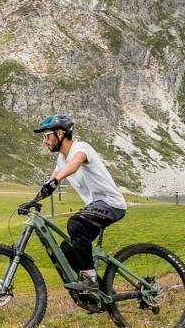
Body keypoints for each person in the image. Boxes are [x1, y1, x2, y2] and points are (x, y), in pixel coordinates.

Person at [30, 114, 127, 292]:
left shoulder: (81, 148)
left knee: (75, 223)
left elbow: (76, 162)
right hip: (95, 207)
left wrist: (56, 180)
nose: (45, 141)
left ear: (60, 133)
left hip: (110, 204)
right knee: (67, 249)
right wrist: (31, 201)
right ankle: (103, 295)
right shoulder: (61, 159)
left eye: (47, 136)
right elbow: (48, 184)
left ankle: (89, 279)